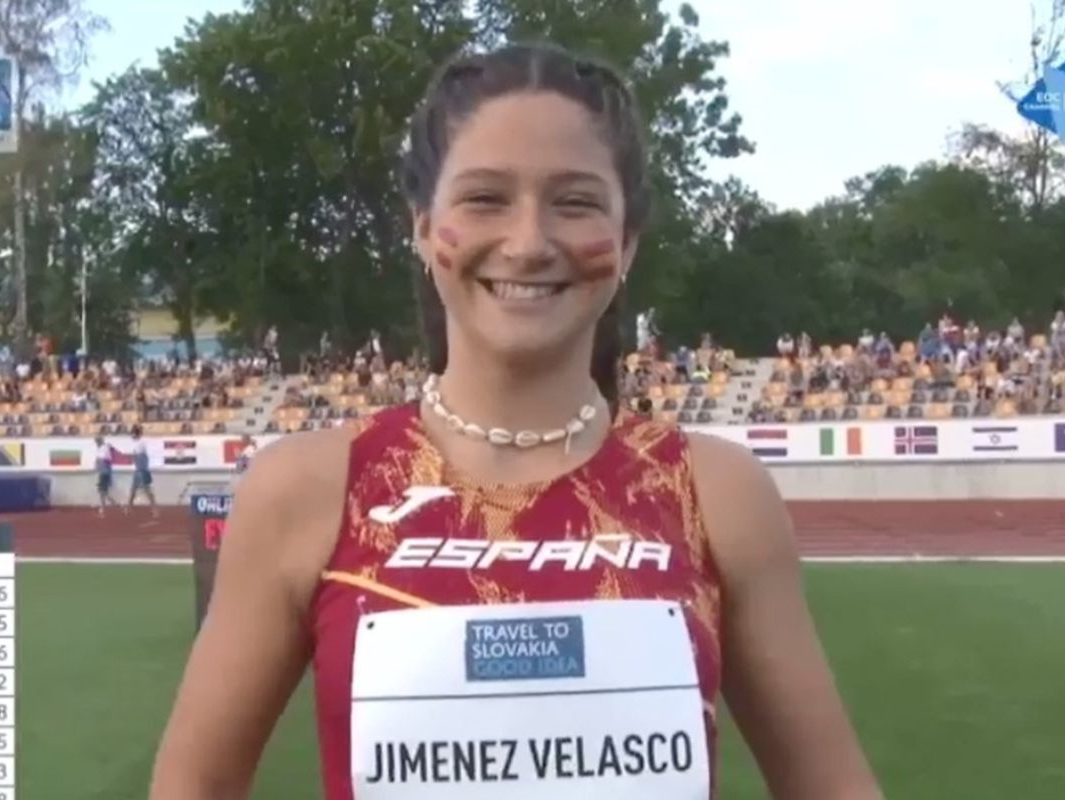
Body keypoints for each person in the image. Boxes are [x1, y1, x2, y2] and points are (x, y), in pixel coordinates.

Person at [149, 42, 881, 800]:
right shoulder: (309, 490)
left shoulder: (716, 495)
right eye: (486, 198)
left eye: (575, 202)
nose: (529, 243)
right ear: (424, 227)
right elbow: (194, 782)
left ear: (627, 241)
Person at [127, 424, 158, 517]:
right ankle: (129, 508)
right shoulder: (136, 442)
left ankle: (154, 509)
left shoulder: (142, 442)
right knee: (133, 489)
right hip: (138, 469)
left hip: (142, 469)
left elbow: (142, 456)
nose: (132, 435)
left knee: (147, 490)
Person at [93, 435, 117, 517]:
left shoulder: (104, 448)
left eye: (97, 441)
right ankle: (109, 505)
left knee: (102, 491)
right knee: (103, 492)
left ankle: (107, 507)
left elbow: (102, 459)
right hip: (103, 472)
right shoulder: (101, 448)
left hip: (104, 472)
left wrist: (97, 463)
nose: (96, 443)